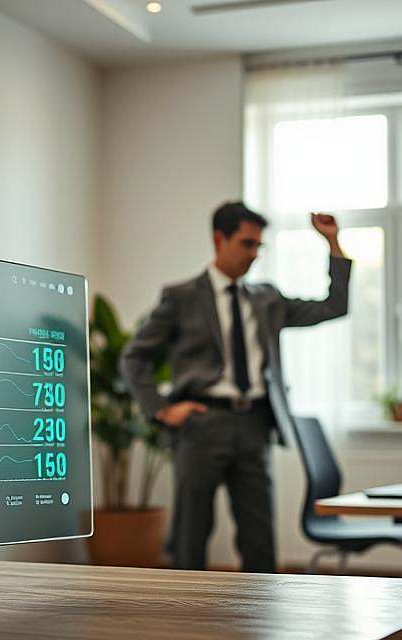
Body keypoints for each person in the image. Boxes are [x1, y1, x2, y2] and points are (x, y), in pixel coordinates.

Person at [119, 201, 351, 572]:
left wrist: (332, 244)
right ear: (218, 239)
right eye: (246, 244)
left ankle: (259, 620)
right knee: (191, 535)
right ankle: (185, 621)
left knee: (259, 538)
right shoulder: (181, 297)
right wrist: (161, 409)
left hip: (255, 424)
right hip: (201, 425)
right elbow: (134, 357)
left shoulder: (266, 299)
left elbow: (334, 307)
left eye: (259, 246)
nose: (254, 254)